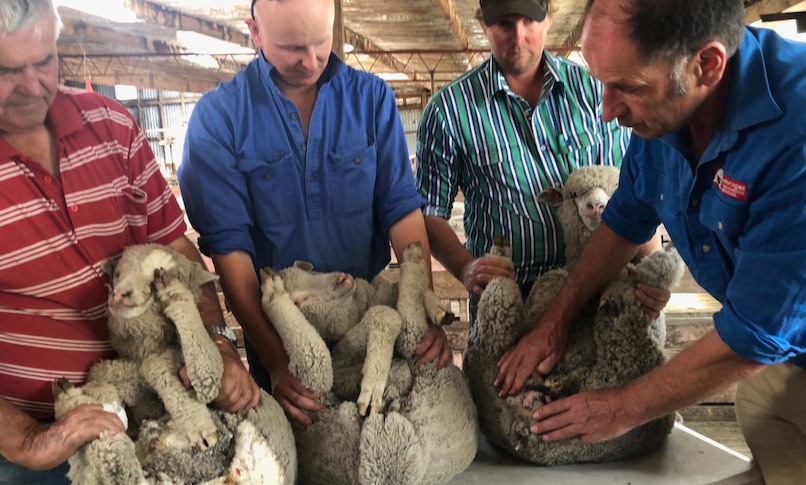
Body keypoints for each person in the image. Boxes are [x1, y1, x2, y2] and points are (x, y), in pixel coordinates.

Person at [496, 0, 806, 482]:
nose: (607, 111)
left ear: (705, 64)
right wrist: (556, 320)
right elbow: (627, 217)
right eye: (602, 82)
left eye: (626, 87)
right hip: (774, 368)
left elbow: (758, 331)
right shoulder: (666, 110)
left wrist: (619, 409)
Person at [0, 0, 260, 482]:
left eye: (45, 61)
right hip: (39, 440)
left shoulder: (113, 127)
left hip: (153, 404)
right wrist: (27, 440)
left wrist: (218, 347)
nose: (35, 86)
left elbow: (177, 250)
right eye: (7, 70)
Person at [177, 0, 452, 427]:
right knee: (296, 445)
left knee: (380, 433)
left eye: (321, 42)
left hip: (366, 312)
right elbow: (230, 251)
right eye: (291, 48)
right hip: (281, 325)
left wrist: (420, 313)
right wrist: (277, 361)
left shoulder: (371, 99)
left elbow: (401, 212)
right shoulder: (219, 119)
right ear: (256, 32)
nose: (310, 61)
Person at [414, 0, 667, 325]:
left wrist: (651, 268)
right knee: (507, 376)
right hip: (508, 304)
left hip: (598, 291)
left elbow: (635, 184)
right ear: (482, 25)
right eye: (504, 23)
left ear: (548, 20)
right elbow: (431, 213)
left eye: (528, 21)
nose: (518, 37)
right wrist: (465, 267)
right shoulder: (449, 111)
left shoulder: (594, 91)